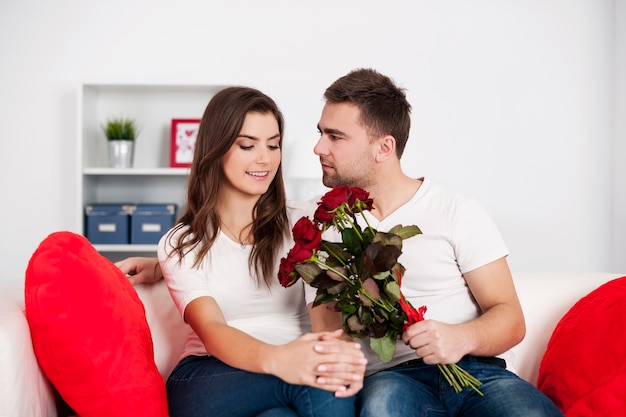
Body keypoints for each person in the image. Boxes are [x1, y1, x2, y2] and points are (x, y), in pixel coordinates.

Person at [119, 69, 564, 417]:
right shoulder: (312, 218)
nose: (315, 148)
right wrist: (165, 261)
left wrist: (458, 337)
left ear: (383, 147)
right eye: (247, 144)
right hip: (359, 376)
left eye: (333, 137)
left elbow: (509, 318)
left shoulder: (436, 212)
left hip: (469, 371)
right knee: (350, 392)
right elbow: (217, 273)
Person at [119, 86, 366, 417]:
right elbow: (213, 329)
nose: (264, 158)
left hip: (295, 365)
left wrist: (314, 356)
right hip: (210, 375)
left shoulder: (306, 223)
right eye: (248, 145)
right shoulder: (183, 242)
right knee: (316, 377)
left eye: (273, 145)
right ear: (216, 149)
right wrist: (282, 360)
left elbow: (325, 314)